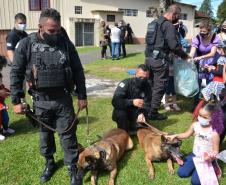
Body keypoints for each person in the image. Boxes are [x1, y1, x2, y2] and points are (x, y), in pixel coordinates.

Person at [10, 8, 87, 185]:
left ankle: (72, 167)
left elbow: (78, 70)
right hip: (40, 100)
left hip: (63, 98)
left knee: (68, 134)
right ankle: (49, 162)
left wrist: (82, 95)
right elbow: (16, 73)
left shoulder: (66, 44)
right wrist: (16, 100)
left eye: (58, 30)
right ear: (40, 27)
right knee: (45, 134)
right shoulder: (26, 44)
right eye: (51, 31)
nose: (56, 34)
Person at [145, 4, 190, 120]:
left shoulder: (153, 23)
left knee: (150, 84)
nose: (178, 18)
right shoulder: (168, 25)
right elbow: (174, 46)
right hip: (159, 60)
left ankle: (146, 107)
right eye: (178, 15)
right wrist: (185, 56)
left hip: (148, 58)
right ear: (173, 14)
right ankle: (153, 112)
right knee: (160, 85)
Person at [166, 100, 224, 184]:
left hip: (206, 159)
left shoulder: (214, 133)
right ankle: (196, 167)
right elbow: (186, 134)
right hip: (194, 155)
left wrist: (211, 158)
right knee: (181, 173)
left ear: (213, 118)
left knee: (195, 182)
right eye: (200, 115)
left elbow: (215, 151)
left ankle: (213, 165)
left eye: (205, 117)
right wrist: (175, 135)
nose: (201, 118)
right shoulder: (195, 125)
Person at [190, 20, 220, 112]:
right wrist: (186, 57)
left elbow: (212, 53)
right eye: (201, 31)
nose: (202, 33)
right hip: (199, 63)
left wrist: (201, 57)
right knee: (197, 83)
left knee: (210, 83)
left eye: (204, 31)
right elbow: (192, 52)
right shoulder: (197, 38)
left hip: (212, 61)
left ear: (210, 30)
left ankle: (208, 103)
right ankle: (196, 103)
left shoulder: (215, 37)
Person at [111, 64, 152, 132]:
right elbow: (115, 102)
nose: (142, 80)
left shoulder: (148, 87)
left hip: (136, 112)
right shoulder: (125, 83)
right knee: (120, 114)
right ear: (134, 74)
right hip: (123, 109)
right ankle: (124, 129)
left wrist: (142, 113)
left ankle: (133, 126)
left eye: (145, 78)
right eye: (140, 77)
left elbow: (147, 104)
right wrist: (132, 102)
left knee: (143, 125)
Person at [0, 56, 14, 140]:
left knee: (4, 116)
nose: (1, 68)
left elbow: (3, 88)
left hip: (2, 101)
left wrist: (7, 92)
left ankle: (5, 128)